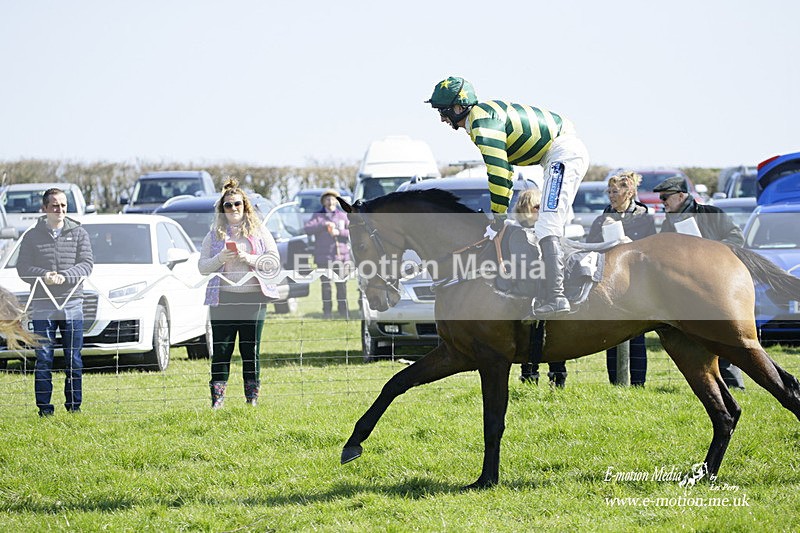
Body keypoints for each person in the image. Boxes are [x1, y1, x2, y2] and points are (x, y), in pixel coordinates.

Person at [426, 76, 590, 318]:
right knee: (546, 225)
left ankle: (557, 296)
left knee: (547, 225)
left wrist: (498, 217)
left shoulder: (482, 123)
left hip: (563, 153)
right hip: (557, 153)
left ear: (459, 107)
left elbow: (499, 173)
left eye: (443, 111)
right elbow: (507, 173)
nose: (442, 118)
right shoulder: (480, 118)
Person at [654, 176, 746, 389]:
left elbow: (737, 238)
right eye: (661, 198)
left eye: (665, 197)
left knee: (725, 334)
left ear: (680, 196)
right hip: (689, 291)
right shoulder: (668, 224)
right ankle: (710, 385)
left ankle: (734, 384)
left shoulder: (712, 213)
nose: (662, 202)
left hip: (718, 286)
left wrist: (711, 250)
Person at [199, 179, 281, 408]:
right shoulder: (214, 235)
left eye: (237, 204)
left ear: (245, 206)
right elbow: (202, 267)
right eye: (228, 205)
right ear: (222, 209)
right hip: (223, 299)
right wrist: (219, 259)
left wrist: (249, 259)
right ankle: (217, 400)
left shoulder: (259, 231)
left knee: (250, 349)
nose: (233, 208)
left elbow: (273, 262)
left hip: (254, 299)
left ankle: (251, 398)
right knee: (221, 350)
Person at [16, 188, 93, 416]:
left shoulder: (79, 233)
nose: (60, 209)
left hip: (72, 304)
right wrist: (44, 275)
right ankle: (44, 410)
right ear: (45, 208)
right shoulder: (31, 236)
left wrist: (66, 276)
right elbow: (23, 267)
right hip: (42, 305)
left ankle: (74, 408)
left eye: (63, 205)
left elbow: (87, 264)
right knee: (43, 358)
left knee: (73, 359)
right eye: (55, 205)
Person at [586, 171, 657, 386]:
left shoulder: (644, 218)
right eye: (609, 191)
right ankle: (616, 383)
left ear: (629, 193)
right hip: (610, 283)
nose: (611, 195)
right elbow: (590, 247)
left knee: (637, 334)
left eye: (615, 191)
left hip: (637, 284)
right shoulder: (601, 218)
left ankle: (638, 383)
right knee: (612, 332)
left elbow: (651, 250)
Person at [513, 189, 567, 387]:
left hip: (544, 293)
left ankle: (555, 378)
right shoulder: (518, 233)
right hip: (530, 294)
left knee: (551, 338)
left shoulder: (547, 231)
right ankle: (532, 379)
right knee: (532, 340)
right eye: (535, 207)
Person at [303, 189, 351, 319]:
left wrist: (339, 232)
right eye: (327, 199)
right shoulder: (318, 216)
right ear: (323, 202)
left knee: (342, 285)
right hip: (323, 258)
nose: (330, 202)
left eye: (333, 199)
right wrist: (323, 224)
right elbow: (307, 229)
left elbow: (352, 232)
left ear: (336, 201)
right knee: (326, 286)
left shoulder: (343, 216)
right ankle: (327, 312)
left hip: (341, 257)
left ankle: (343, 311)